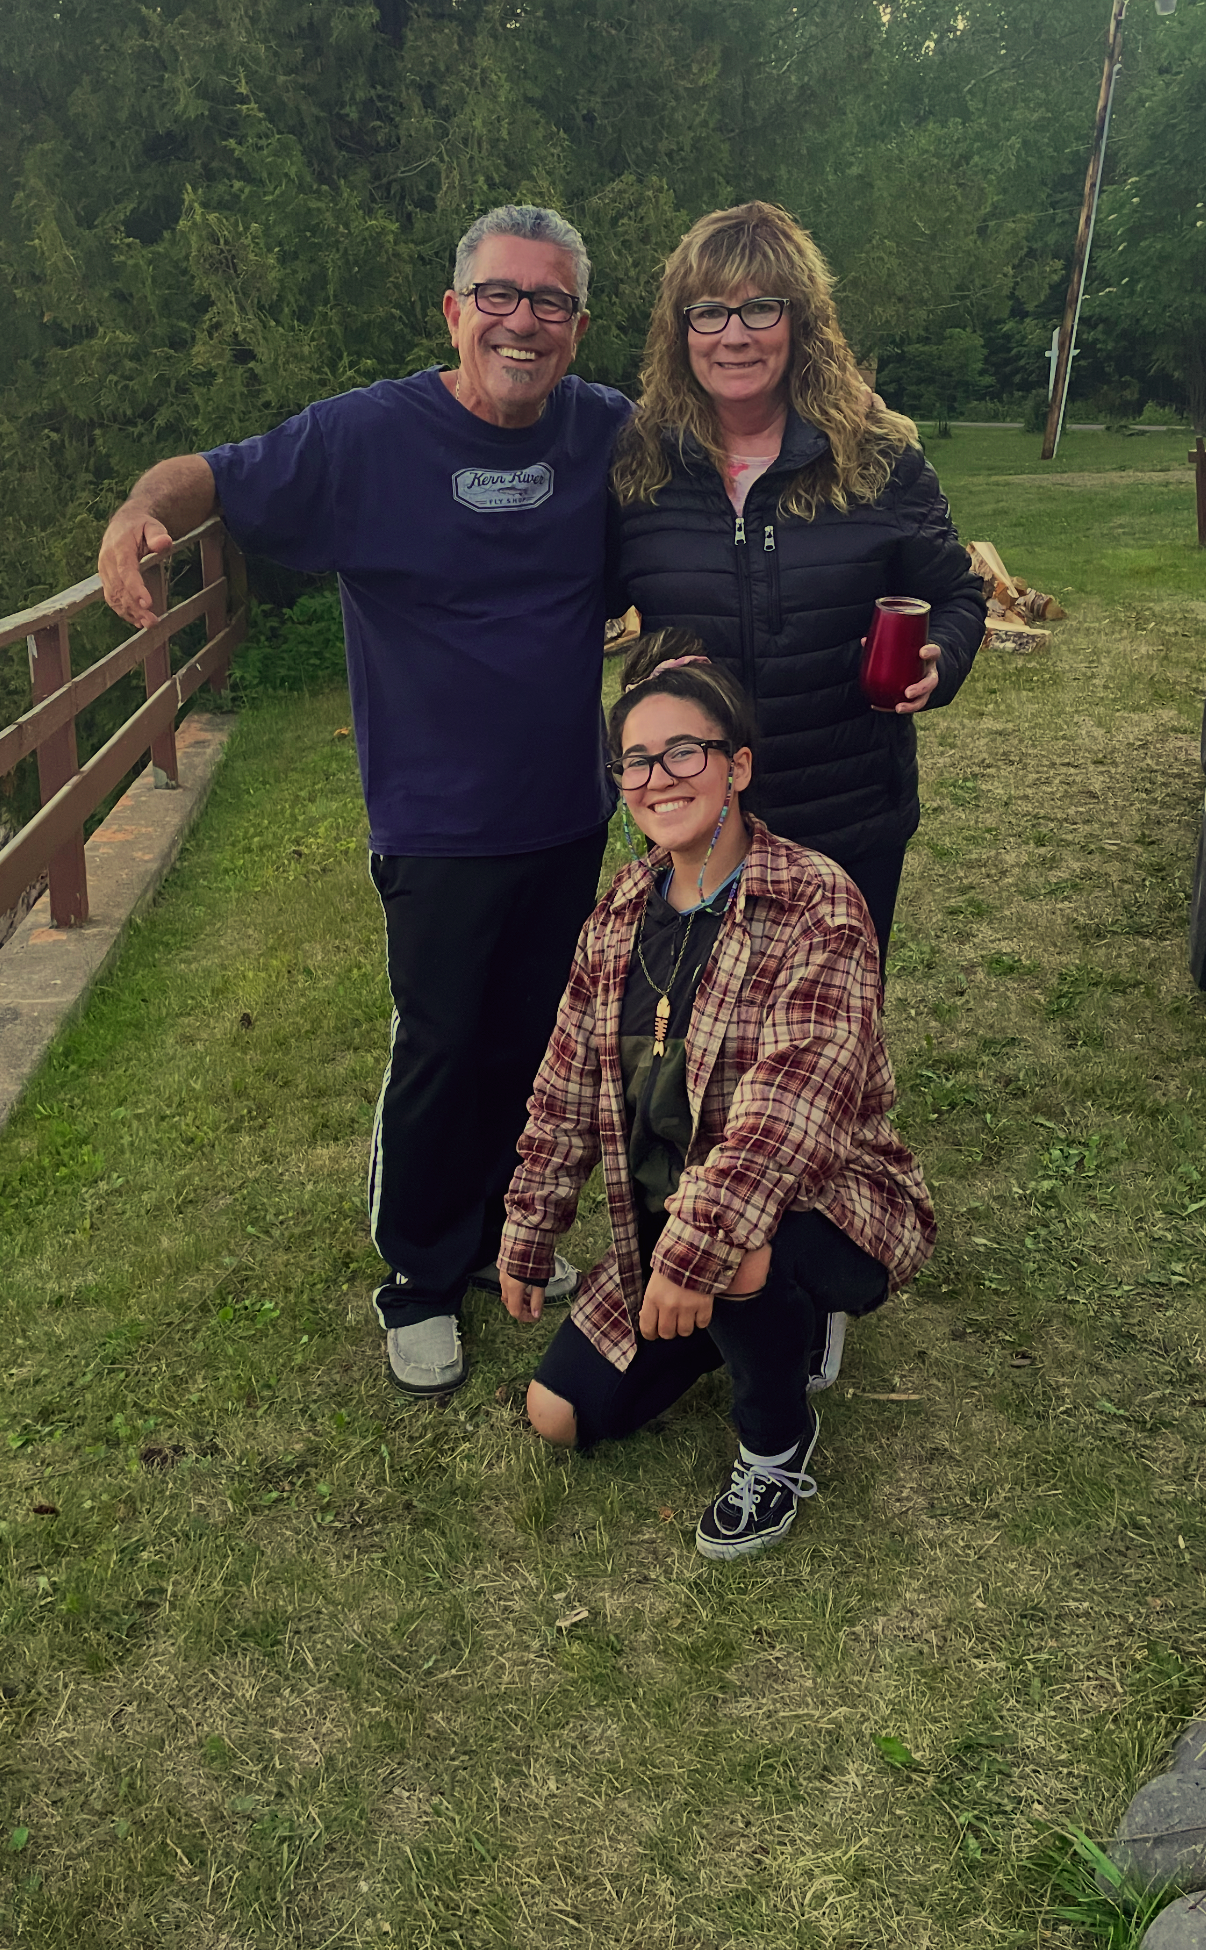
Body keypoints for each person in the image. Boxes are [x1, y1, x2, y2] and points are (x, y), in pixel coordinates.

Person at [97, 204, 633, 1399]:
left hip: (567, 805)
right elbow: (216, 478)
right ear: (454, 311)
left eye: (550, 301)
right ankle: (419, 1277)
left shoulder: (607, 434)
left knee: (535, 1039)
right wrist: (141, 511)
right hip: (434, 820)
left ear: (578, 328)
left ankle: (504, 1233)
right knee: (440, 1044)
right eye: (500, 293)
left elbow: (718, 478)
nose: (523, 319)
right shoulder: (366, 438)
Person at [498, 632, 935, 1559]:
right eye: (636, 763)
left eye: (683, 752)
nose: (660, 779)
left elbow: (784, 1126)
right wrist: (530, 1229)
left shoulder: (818, 902)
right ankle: (759, 1321)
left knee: (741, 1258)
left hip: (819, 1200)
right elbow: (565, 1084)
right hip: (666, 1221)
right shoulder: (619, 912)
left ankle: (775, 1443)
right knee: (557, 1415)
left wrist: (694, 1257)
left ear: (737, 766)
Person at [606, 200, 987, 965]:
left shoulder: (877, 456)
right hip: (696, 825)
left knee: (831, 1046)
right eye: (708, 312)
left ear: (801, 322)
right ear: (681, 332)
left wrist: (939, 660)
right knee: (705, 1045)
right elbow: (571, 602)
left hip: (848, 820)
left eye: (760, 309)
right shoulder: (640, 465)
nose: (734, 334)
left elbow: (958, 594)